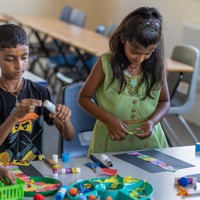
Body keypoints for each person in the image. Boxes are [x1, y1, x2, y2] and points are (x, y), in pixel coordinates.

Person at [78, 7, 170, 155]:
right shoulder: (106, 64)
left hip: (149, 142)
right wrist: (108, 120)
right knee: (108, 177)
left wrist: (153, 122)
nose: (140, 59)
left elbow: (165, 101)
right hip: (111, 139)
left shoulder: (157, 67)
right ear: (123, 39)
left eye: (148, 53)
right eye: (134, 51)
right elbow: (83, 98)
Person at [0, 24, 74, 162]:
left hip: (34, 171)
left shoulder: (40, 91)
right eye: (10, 59)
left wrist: (66, 120)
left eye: (24, 57)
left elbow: (68, 136)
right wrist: (15, 116)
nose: (19, 65)